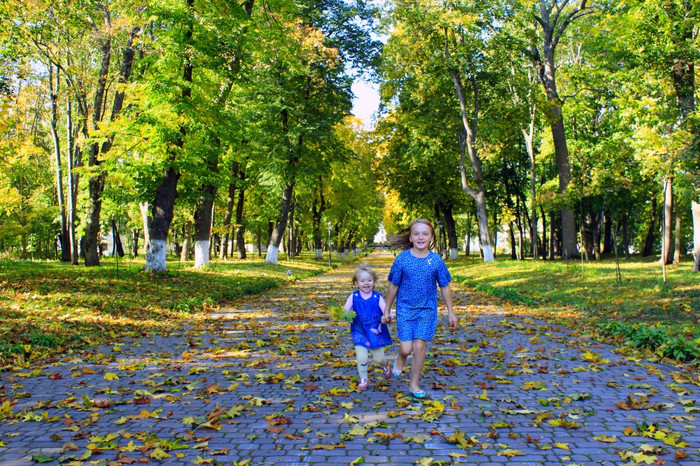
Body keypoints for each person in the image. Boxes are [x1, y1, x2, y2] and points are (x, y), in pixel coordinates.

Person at [382, 219, 458, 398]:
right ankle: (401, 357)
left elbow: (445, 286)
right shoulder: (402, 259)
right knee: (406, 348)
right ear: (410, 237)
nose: (420, 237)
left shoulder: (436, 260)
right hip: (405, 310)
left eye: (425, 234)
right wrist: (387, 309)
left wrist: (451, 312)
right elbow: (393, 285)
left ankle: (414, 384)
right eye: (416, 234)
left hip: (427, 310)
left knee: (419, 347)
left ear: (431, 237)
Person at [343, 263, 394, 391]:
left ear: (374, 282)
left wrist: (388, 316)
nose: (366, 283)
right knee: (361, 357)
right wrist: (342, 314)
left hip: (375, 331)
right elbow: (345, 310)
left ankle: (385, 364)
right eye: (362, 281)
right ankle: (364, 378)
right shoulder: (353, 297)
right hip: (359, 331)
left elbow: (386, 310)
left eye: (369, 280)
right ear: (356, 283)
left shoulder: (377, 297)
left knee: (378, 358)